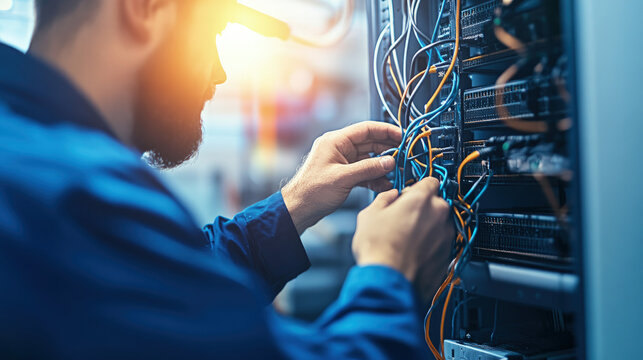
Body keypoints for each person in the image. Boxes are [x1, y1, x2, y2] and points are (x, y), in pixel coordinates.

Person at [0, 0, 453, 358]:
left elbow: (168, 283)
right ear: (144, 7)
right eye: (212, 32)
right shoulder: (72, 200)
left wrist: (293, 205)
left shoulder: (24, 159)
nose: (219, 72)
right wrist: (391, 270)